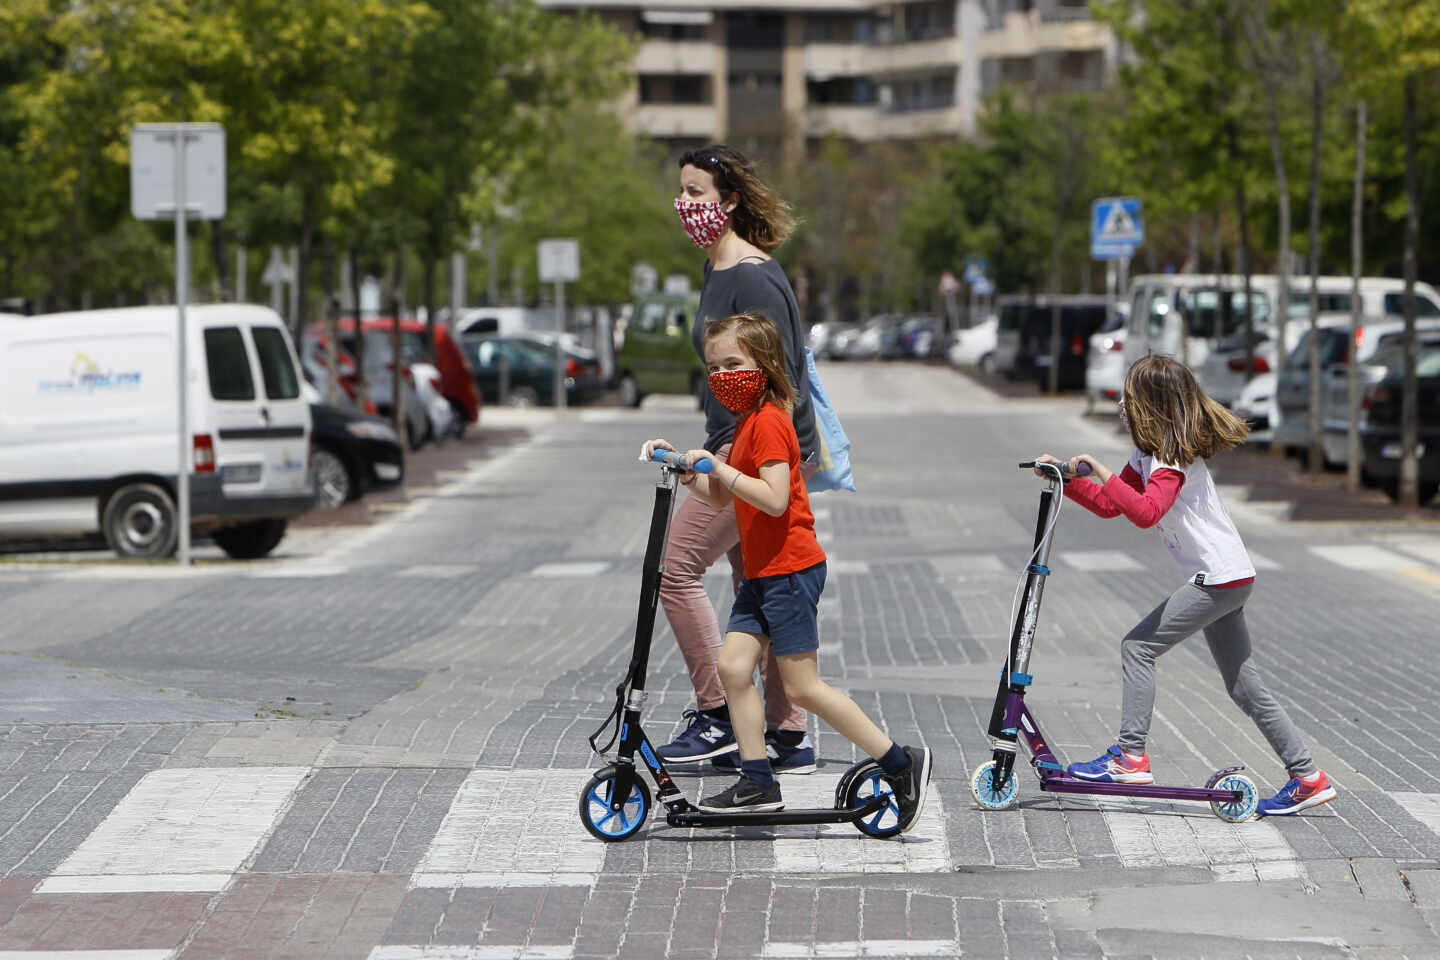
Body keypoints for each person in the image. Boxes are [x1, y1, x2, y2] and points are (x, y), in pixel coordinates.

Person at [642, 313, 931, 824]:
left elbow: (773, 500)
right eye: (713, 367)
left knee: (802, 688)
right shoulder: (748, 421)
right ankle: (757, 782)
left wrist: (721, 467)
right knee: (733, 668)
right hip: (763, 573)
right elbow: (722, 497)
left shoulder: (772, 421)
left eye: (733, 363)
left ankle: (901, 761)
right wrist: (686, 470)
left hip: (791, 572)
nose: (722, 375)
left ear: (765, 364)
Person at [1033, 353, 1336, 817]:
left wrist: (1100, 469)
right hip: (1229, 577)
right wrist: (1066, 478)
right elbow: (1115, 506)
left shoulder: (1171, 459)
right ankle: (1308, 777)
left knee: (1137, 648)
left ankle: (1130, 757)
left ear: (1148, 405)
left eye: (1127, 398)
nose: (1120, 405)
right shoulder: (1149, 454)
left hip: (1217, 579)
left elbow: (1146, 512)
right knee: (1245, 687)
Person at [656, 144, 819, 774]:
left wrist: (764, 460)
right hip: (728, 449)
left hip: (747, 456)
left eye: (697, 193)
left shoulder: (752, 275)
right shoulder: (717, 272)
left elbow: (783, 375)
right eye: (683, 193)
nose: (686, 205)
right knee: (761, 591)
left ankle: (719, 714)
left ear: (728, 201)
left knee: (675, 571)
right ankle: (787, 736)